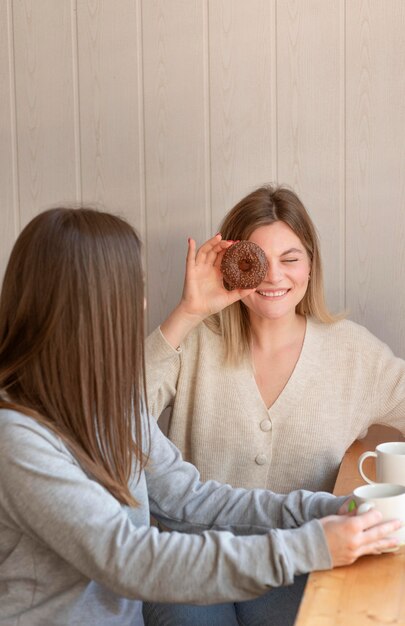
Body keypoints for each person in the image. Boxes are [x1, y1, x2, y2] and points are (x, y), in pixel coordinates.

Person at [0, 206, 399, 626]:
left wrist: (328, 510)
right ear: (94, 309)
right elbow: (128, 559)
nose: (144, 301)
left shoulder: (106, 404)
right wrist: (309, 546)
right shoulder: (18, 438)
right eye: (133, 288)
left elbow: (189, 499)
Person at [144, 184, 405, 625]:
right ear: (233, 265)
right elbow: (113, 423)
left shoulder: (353, 353)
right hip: (194, 563)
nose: (273, 277)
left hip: (297, 566)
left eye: (290, 259)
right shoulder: (195, 341)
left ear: (310, 265)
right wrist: (188, 312)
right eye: (258, 261)